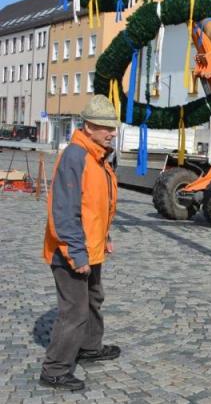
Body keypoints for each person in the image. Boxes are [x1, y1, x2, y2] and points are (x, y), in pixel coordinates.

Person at [39, 95, 122, 391]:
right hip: (71, 252)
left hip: (91, 247)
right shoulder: (77, 156)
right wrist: (76, 253)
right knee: (74, 311)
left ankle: (89, 347)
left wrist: (105, 237)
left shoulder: (98, 155)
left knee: (94, 299)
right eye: (105, 127)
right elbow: (63, 212)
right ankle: (55, 370)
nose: (111, 132)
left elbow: (96, 205)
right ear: (88, 126)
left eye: (113, 126)